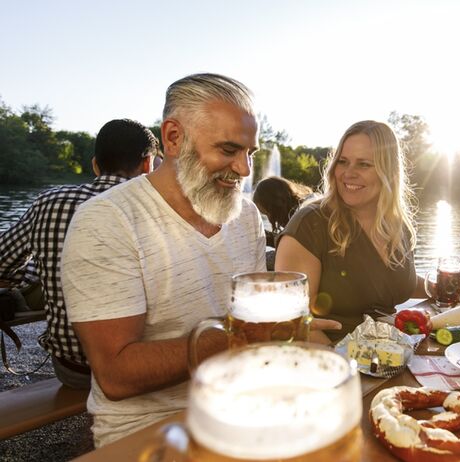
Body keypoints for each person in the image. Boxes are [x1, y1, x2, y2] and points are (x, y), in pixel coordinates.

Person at [61, 74, 339, 447]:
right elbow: (116, 376)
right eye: (228, 150)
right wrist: (242, 335)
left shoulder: (245, 216)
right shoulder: (106, 220)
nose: (244, 170)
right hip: (147, 429)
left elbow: (257, 320)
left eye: (250, 154)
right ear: (173, 138)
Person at [0, 118, 158, 388]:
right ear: (147, 165)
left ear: (95, 164)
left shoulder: (49, 201)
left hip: (74, 370)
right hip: (148, 367)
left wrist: (28, 275)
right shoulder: (159, 210)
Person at [275, 120, 427, 343]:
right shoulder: (311, 224)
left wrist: (435, 287)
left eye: (363, 164)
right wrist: (347, 367)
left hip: (392, 355)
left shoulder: (397, 225)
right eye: (343, 162)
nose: (348, 173)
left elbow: (390, 280)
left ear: (389, 172)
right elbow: (293, 324)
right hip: (331, 361)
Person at [252, 175, 313, 247]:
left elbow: (297, 247)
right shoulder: (309, 203)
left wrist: (270, 239)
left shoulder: (301, 218)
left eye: (268, 213)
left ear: (275, 206)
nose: (269, 219)